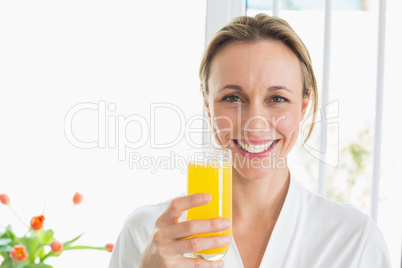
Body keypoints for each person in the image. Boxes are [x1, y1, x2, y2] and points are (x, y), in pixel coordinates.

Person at [109, 14, 391, 268]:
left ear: (303, 106)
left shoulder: (355, 242)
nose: (255, 123)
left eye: (277, 99)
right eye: (232, 98)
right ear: (208, 105)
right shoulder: (147, 235)